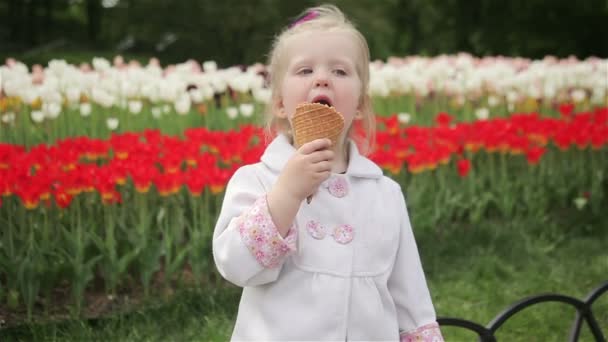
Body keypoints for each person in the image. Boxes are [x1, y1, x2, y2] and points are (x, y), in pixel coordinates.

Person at [212, 4, 444, 341]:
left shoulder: (383, 193)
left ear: (361, 106)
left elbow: (409, 292)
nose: (322, 78)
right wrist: (287, 194)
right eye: (305, 70)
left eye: (340, 71)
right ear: (280, 103)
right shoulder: (258, 180)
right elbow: (235, 266)